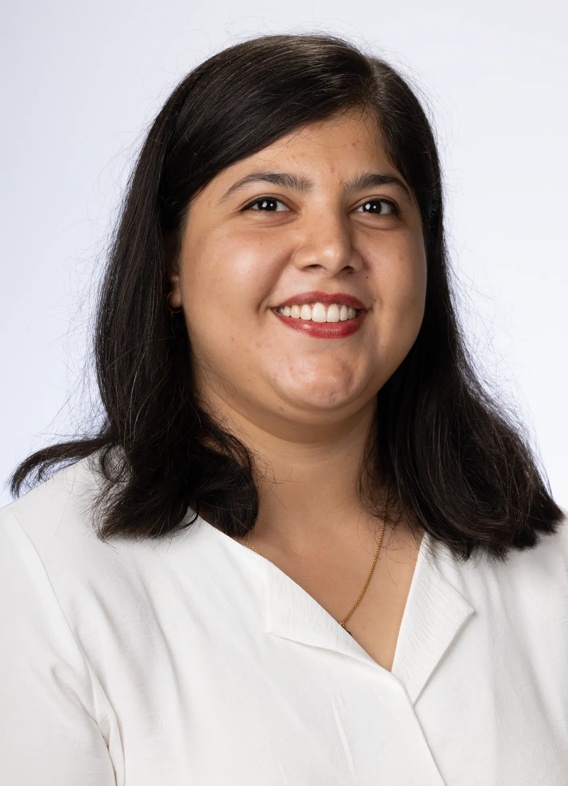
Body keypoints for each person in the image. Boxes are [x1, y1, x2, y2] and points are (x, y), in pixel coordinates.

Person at [1, 33, 566, 786]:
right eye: (267, 204)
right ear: (170, 264)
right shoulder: (41, 580)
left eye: (375, 206)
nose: (332, 249)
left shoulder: (547, 563)